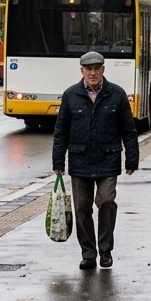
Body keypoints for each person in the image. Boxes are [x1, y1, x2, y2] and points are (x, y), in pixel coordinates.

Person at [52, 51, 139, 270]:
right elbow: (61, 131)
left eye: (96, 69)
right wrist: (58, 162)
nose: (92, 73)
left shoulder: (116, 94)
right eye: (88, 69)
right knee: (82, 208)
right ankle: (88, 253)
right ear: (82, 71)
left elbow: (128, 129)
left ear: (103, 70)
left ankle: (106, 250)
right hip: (80, 161)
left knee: (106, 202)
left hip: (108, 159)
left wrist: (132, 158)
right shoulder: (71, 95)